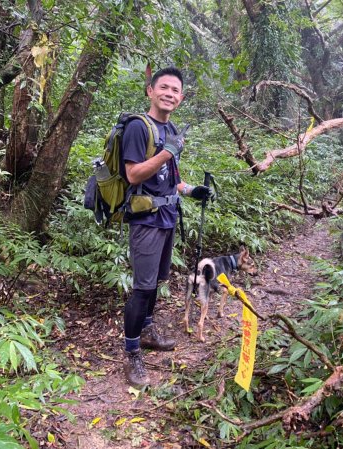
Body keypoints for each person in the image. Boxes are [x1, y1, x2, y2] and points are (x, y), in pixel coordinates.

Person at [121, 67, 212, 387]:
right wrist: (167, 152)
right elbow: (133, 175)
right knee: (142, 288)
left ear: (181, 97)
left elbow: (171, 179)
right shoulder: (137, 127)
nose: (170, 93)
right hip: (145, 219)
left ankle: (147, 331)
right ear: (150, 90)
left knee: (156, 282)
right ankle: (132, 354)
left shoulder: (170, 127)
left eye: (175, 90)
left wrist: (190, 191)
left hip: (167, 216)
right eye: (164, 88)